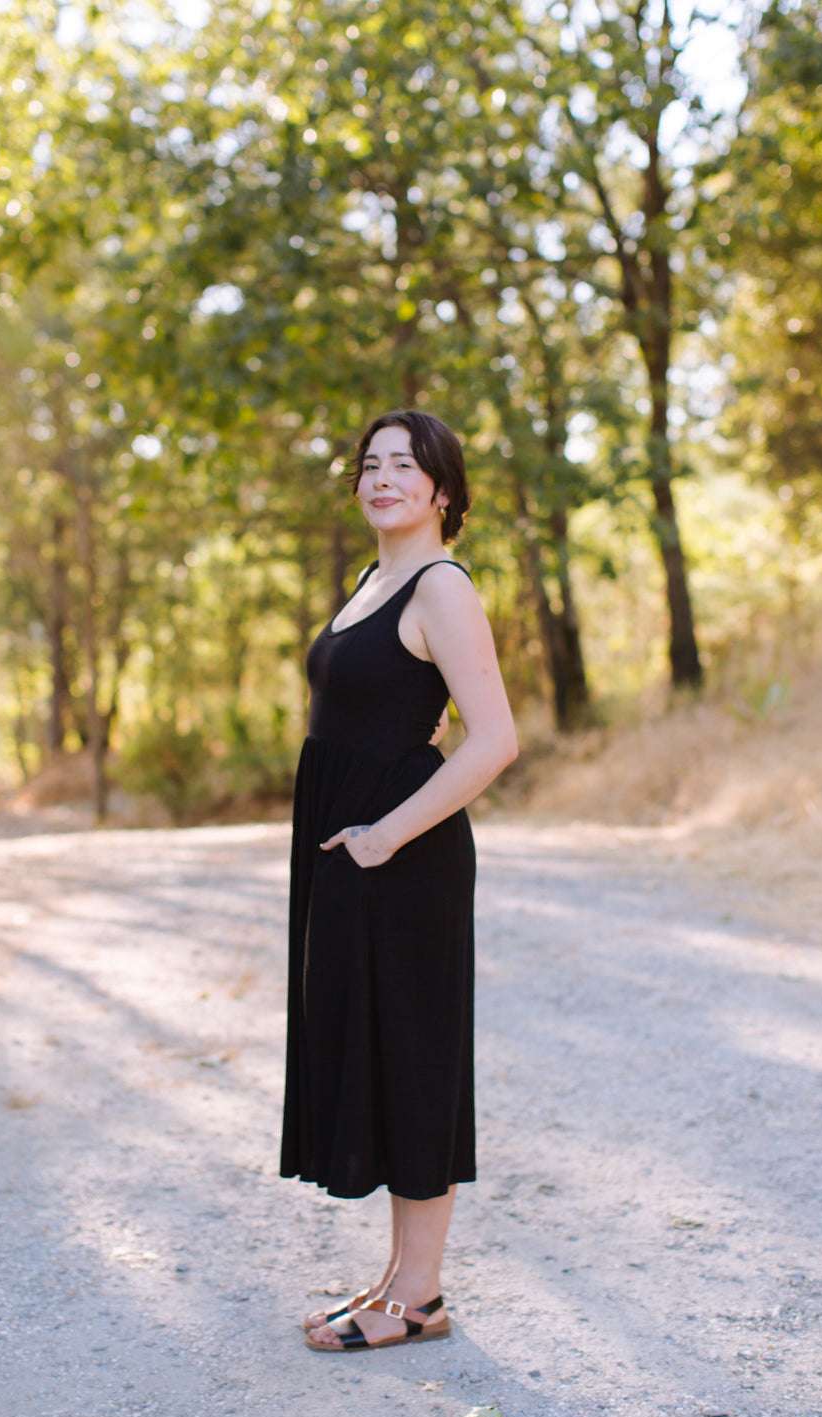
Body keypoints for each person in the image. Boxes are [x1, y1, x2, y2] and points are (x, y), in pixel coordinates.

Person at [280, 408, 518, 1352]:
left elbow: (494, 741)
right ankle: (392, 1281)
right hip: (354, 850)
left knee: (414, 1057)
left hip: (403, 857)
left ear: (443, 490)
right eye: (370, 464)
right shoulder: (371, 584)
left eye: (404, 466)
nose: (382, 479)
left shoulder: (442, 587)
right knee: (377, 1052)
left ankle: (419, 1299)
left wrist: (383, 837)